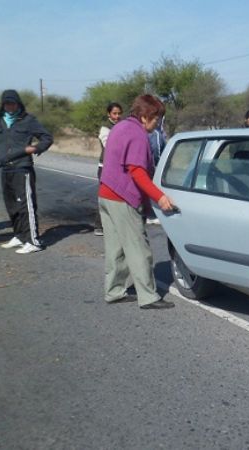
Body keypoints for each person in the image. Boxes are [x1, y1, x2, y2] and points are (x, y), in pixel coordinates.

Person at [98, 94, 177, 310]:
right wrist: (159, 197)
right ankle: (148, 296)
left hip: (106, 194)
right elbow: (137, 172)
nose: (157, 123)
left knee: (115, 248)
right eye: (155, 118)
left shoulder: (120, 127)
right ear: (144, 117)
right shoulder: (137, 135)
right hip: (122, 198)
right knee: (139, 248)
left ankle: (114, 291)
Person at [0, 89, 54, 254]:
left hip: (22, 167)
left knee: (25, 204)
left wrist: (33, 149)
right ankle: (19, 236)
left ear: (18, 103)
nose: (10, 106)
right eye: (6, 103)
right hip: (6, 168)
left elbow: (47, 138)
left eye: (12, 103)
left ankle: (33, 240)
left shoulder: (28, 120)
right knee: (11, 205)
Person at [93, 102, 123, 236]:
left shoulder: (122, 125)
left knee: (117, 196)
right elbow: (109, 144)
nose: (117, 116)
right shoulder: (105, 128)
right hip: (105, 166)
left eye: (119, 113)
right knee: (104, 196)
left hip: (118, 166)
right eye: (114, 113)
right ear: (109, 114)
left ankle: (114, 224)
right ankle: (99, 226)